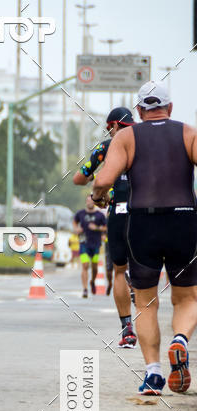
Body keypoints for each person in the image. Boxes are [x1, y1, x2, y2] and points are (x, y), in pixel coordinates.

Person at [93, 81, 197, 395]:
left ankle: (153, 374)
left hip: (142, 223)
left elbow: (103, 180)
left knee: (147, 302)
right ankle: (180, 340)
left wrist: (99, 196)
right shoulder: (188, 133)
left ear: (140, 110)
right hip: (184, 219)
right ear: (170, 108)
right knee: (187, 297)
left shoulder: (126, 136)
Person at [74, 107, 137, 348]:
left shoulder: (107, 146)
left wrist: (93, 181)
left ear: (113, 126)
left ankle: (127, 330)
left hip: (118, 211)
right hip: (147, 214)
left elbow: (79, 178)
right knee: (147, 273)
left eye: (108, 128)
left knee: (118, 271)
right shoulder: (146, 141)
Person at [73, 194, 107, 298]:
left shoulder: (100, 215)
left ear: (94, 202)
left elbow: (106, 228)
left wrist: (96, 228)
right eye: (88, 201)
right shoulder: (80, 214)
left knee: (94, 267)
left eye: (92, 201)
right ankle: (85, 289)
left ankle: (92, 281)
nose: (90, 203)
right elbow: (74, 222)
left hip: (96, 244)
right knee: (85, 265)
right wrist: (76, 229)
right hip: (84, 243)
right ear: (86, 202)